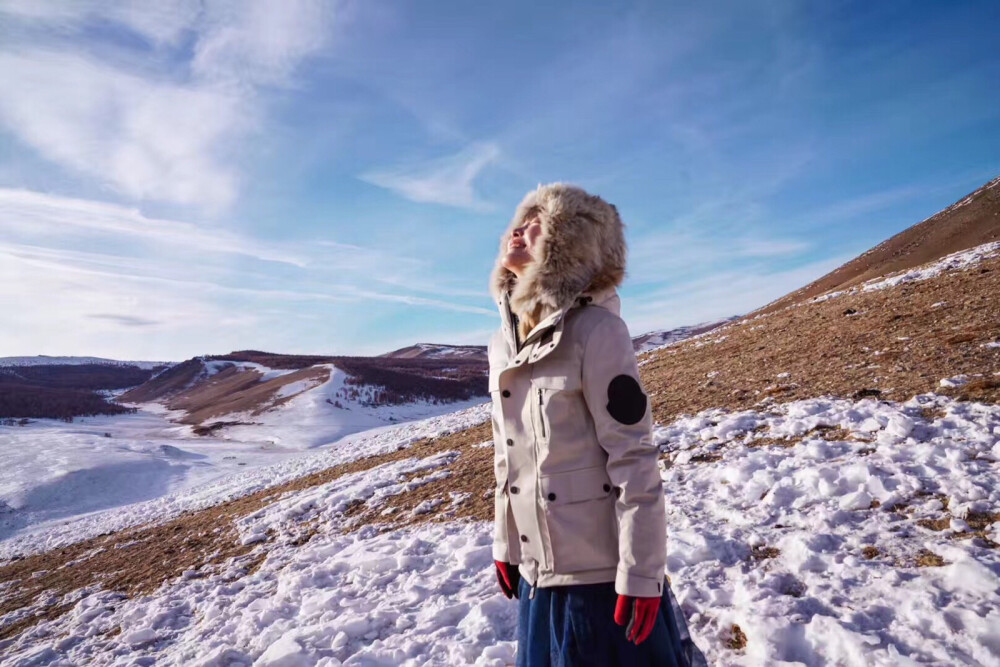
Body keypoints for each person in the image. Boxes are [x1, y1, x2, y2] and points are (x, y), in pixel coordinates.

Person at [487, 184, 706, 666]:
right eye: (520, 220)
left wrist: (642, 574)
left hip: (599, 584)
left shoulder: (597, 332)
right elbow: (510, 455)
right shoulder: (501, 344)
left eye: (540, 221)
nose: (520, 228)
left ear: (571, 242)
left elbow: (633, 456)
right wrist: (506, 542)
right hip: (537, 574)